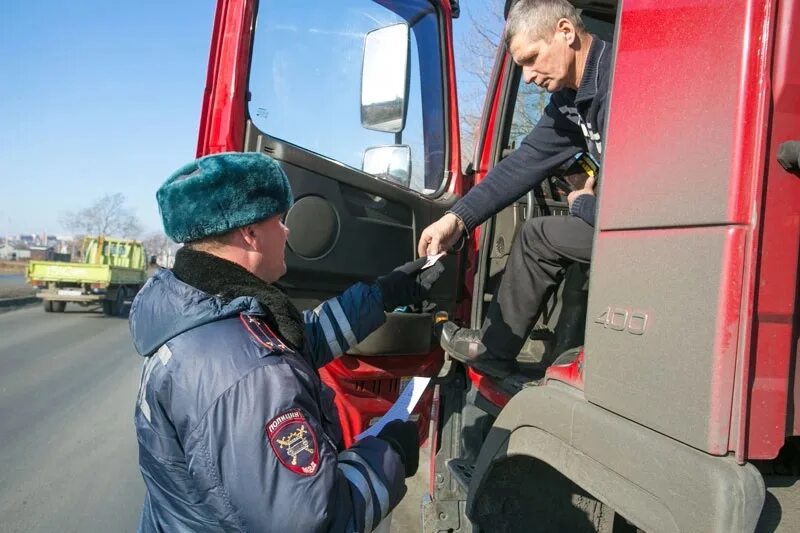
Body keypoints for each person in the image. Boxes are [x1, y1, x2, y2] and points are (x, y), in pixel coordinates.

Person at [130, 152, 444, 532]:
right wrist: (389, 450)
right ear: (250, 233)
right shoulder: (254, 376)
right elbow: (318, 520)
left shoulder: (200, 315)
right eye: (279, 220)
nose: (288, 231)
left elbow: (302, 338)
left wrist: (386, 292)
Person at [417, 0, 610, 378]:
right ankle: (502, 350)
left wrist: (585, 205)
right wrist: (456, 219)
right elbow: (523, 164)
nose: (527, 76)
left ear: (566, 32)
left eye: (531, 58)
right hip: (619, 224)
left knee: (539, 235)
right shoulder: (571, 102)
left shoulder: (623, 82)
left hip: (651, 237)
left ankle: (492, 350)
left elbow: (644, 206)